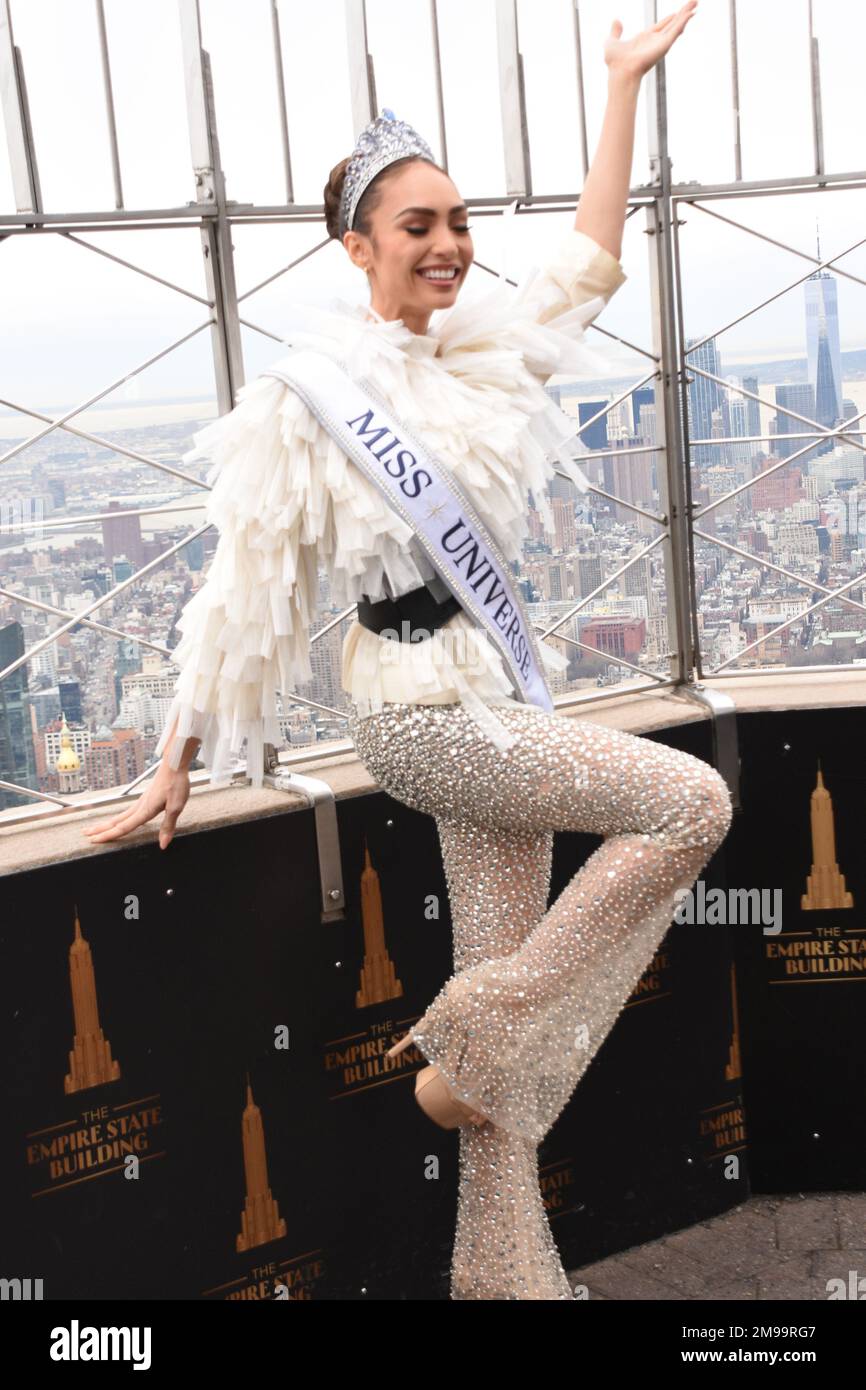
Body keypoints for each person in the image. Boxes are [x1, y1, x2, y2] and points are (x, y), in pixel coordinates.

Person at [85, 4, 721, 1300]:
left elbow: (591, 261)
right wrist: (173, 760)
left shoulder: (485, 359)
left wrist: (617, 87)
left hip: (486, 694)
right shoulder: (310, 400)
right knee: (690, 799)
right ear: (354, 244)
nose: (445, 245)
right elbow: (237, 595)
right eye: (415, 225)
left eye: (457, 222)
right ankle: (466, 1045)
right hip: (419, 718)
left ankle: (501, 1275)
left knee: (498, 1026)